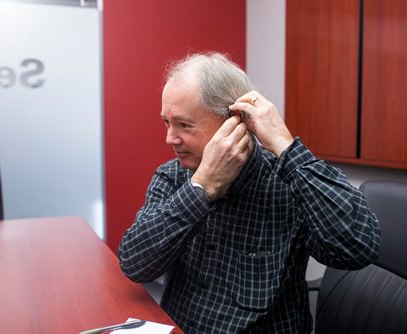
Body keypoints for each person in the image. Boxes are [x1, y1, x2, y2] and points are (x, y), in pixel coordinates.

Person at [118, 52, 380, 333]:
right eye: (166, 123)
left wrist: (285, 147)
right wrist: (201, 189)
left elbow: (358, 247)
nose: (170, 138)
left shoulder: (289, 184)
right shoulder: (173, 176)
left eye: (184, 125)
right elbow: (135, 264)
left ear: (234, 121)